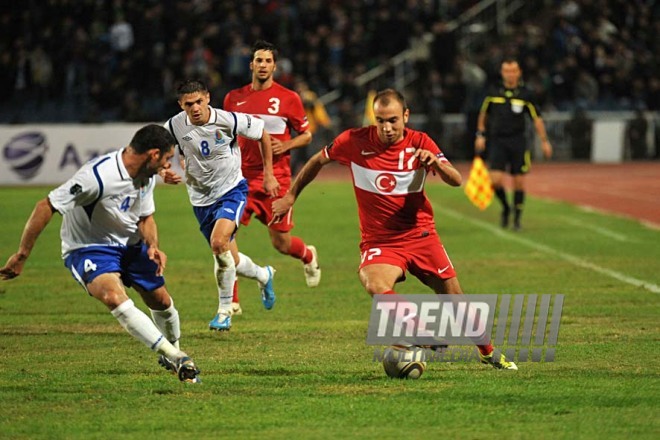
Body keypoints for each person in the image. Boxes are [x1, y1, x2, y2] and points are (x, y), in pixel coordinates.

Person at [272, 89, 517, 370]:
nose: (386, 128)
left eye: (392, 120)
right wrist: (291, 195)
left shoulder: (421, 142)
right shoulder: (354, 140)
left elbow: (456, 179)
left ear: (406, 116)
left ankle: (487, 351)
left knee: (454, 298)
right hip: (381, 241)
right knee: (374, 284)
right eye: (380, 121)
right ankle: (419, 329)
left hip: (421, 235)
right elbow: (317, 160)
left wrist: (435, 162)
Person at [0, 124, 201, 383]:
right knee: (112, 296)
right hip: (88, 247)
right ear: (153, 154)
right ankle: (176, 356)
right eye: (165, 158)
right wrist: (22, 255)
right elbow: (46, 205)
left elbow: (145, 216)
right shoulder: (96, 177)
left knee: (160, 301)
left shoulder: (146, 174)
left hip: (130, 244)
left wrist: (153, 245)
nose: (166, 166)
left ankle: (172, 348)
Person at [162, 79, 278, 332]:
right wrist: (164, 171)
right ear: (181, 105)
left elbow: (263, 133)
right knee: (230, 257)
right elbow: (160, 150)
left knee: (218, 244)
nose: (195, 108)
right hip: (200, 199)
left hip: (231, 191)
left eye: (199, 102)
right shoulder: (173, 125)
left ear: (208, 99)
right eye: (188, 104)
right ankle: (263, 274)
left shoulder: (228, 119)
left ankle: (224, 311)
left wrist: (268, 173)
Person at [223, 40, 321, 315]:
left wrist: (286, 145)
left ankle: (308, 255)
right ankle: (232, 301)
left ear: (274, 66)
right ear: (251, 64)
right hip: (240, 180)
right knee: (225, 235)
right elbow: (227, 134)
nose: (263, 65)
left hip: (275, 180)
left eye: (268, 61)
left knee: (281, 243)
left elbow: (307, 134)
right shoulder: (233, 98)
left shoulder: (289, 98)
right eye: (259, 60)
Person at [475, 58, 552, 230]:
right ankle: (506, 207)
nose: (510, 74)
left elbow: (536, 119)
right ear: (502, 73)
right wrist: (480, 134)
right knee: (495, 181)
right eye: (507, 71)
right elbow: (483, 115)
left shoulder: (526, 94)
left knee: (518, 182)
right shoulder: (493, 92)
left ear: (519, 73)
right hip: (497, 141)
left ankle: (517, 219)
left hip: (518, 142)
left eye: (513, 71)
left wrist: (544, 141)